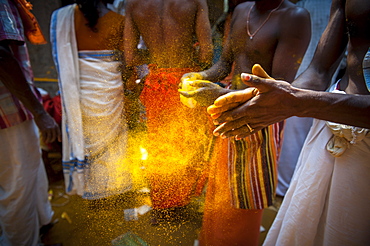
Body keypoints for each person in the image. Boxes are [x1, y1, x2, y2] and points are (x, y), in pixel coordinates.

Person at [208, 0, 370, 244]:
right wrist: (274, 97)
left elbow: (291, 83)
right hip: (326, 130)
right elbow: (318, 70)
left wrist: (297, 102)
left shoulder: (293, 16)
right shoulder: (242, 11)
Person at [180, 0, 310, 245]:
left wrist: (218, 95)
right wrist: (199, 77)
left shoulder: (295, 17)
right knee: (218, 194)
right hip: (225, 114)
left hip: (258, 120)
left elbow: (279, 90)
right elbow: (223, 65)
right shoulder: (241, 11)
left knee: (244, 199)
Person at [123, 0, 214, 221]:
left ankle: (163, 206)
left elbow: (130, 57)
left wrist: (156, 57)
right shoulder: (195, 1)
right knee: (188, 143)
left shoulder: (134, 3)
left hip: (157, 84)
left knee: (159, 146)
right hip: (186, 82)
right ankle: (181, 202)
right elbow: (206, 54)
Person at [50, 0, 133, 200]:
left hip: (79, 95)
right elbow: (128, 64)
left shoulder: (61, 18)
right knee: (112, 145)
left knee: (86, 141)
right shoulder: (119, 21)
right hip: (110, 94)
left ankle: (92, 192)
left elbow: (61, 60)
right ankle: (113, 190)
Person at [0, 0, 61, 245]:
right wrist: (40, 113)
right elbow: (2, 57)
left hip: (16, 108)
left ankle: (43, 226)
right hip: (8, 111)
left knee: (30, 170)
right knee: (17, 186)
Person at [276, 0, 332, 201]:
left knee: (293, 141)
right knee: (312, 141)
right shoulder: (329, 6)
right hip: (321, 87)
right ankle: (298, 191)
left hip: (297, 82)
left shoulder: (302, 7)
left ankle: (284, 190)